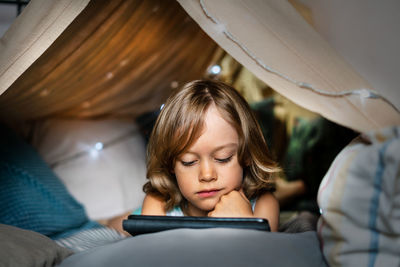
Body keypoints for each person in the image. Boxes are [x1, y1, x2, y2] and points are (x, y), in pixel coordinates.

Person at [139, 80, 280, 231]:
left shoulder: (263, 205)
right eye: (189, 161)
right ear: (170, 163)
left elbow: (261, 253)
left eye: (223, 158)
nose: (206, 175)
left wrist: (244, 223)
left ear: (247, 154)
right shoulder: (158, 205)